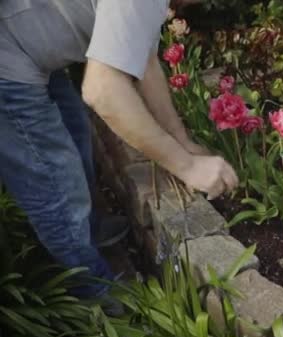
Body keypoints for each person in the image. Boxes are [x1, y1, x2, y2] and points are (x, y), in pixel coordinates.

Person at [0, 0, 238, 314]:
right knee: (56, 183)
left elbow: (143, 61)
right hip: (7, 61)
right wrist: (188, 166)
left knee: (75, 131)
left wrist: (182, 141)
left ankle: (89, 231)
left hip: (25, 42)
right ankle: (96, 294)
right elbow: (102, 91)